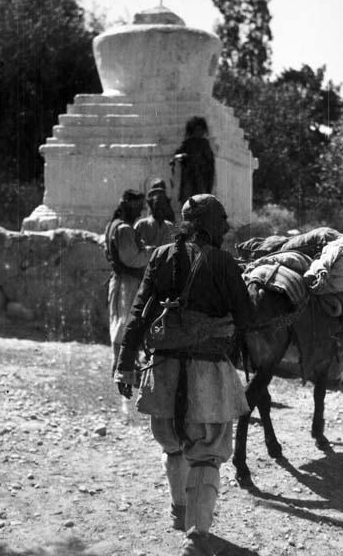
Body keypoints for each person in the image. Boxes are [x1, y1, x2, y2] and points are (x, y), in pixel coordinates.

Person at [113, 194, 253, 556]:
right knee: (206, 454)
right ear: (209, 223)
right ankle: (196, 537)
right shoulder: (223, 263)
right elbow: (248, 320)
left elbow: (138, 315)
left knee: (173, 444)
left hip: (163, 374)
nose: (225, 227)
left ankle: (179, 511)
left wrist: (125, 365)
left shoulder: (160, 256)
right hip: (208, 377)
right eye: (221, 220)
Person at [104, 189, 154, 373]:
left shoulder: (112, 225)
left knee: (118, 320)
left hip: (119, 280)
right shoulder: (124, 229)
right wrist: (151, 251)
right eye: (138, 208)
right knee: (125, 322)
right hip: (128, 282)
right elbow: (132, 259)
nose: (140, 212)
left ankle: (119, 363)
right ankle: (121, 365)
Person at [172, 117, 215, 206]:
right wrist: (183, 156)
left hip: (201, 176)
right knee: (188, 198)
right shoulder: (187, 143)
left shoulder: (204, 143)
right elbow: (177, 155)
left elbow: (210, 160)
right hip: (189, 175)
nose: (198, 132)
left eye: (200, 130)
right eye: (196, 130)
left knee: (201, 198)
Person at [135, 180, 176, 248]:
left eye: (163, 204)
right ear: (151, 205)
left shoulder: (170, 226)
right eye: (157, 204)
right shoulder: (141, 225)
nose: (160, 207)